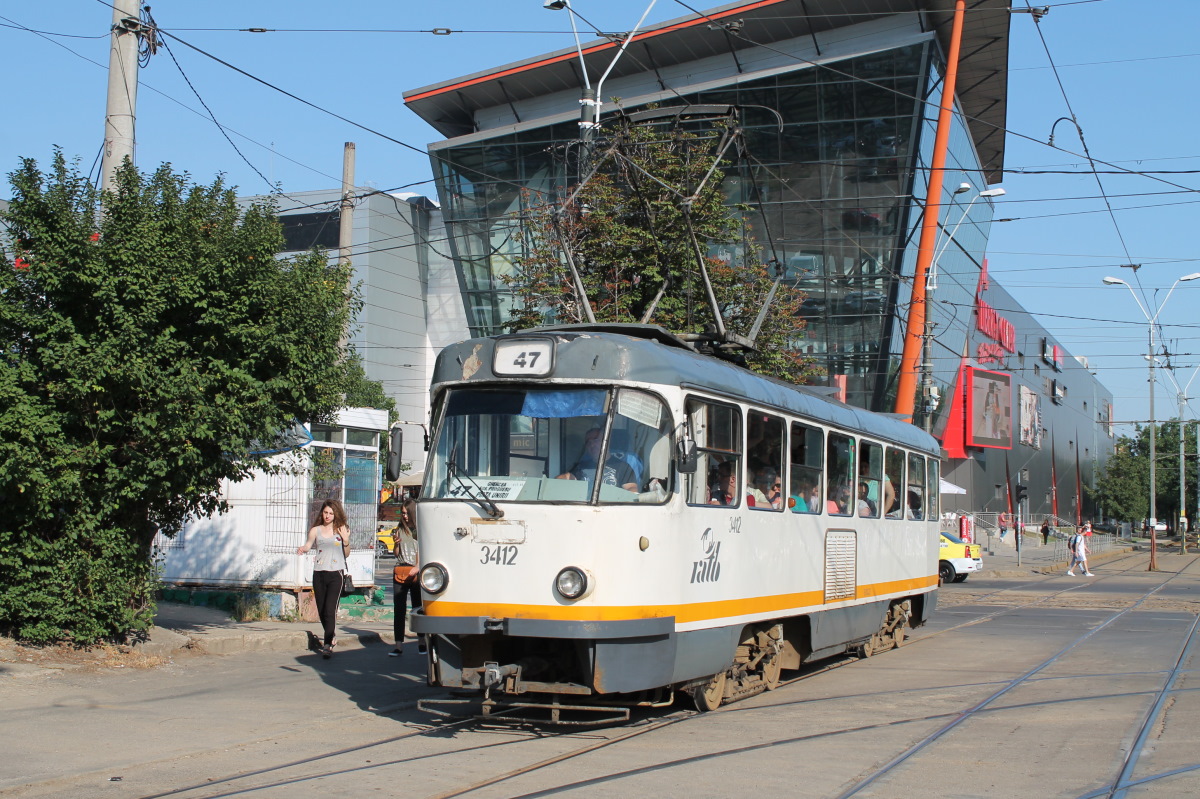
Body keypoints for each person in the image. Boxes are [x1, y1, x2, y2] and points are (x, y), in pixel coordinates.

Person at [297, 499, 351, 658]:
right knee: (321, 610)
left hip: (336, 573)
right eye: (326, 512)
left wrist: (346, 540)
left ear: (336, 515)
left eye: (331, 513)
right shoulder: (316, 530)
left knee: (330, 609)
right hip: (319, 573)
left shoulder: (342, 529)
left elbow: (346, 554)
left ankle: (327, 644)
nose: (327, 516)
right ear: (322, 513)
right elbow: (308, 545)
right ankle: (331, 635)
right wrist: (303, 549)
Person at [389, 498, 425, 657]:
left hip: (416, 572)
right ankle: (398, 645)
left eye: (406, 513)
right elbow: (397, 554)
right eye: (402, 513)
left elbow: (424, 550)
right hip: (401, 569)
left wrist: (417, 567)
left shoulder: (420, 529)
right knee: (399, 609)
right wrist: (396, 544)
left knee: (418, 608)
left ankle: (421, 642)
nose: (404, 516)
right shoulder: (399, 529)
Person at [557, 427, 637, 491]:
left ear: (607, 442)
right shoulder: (581, 467)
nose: (592, 444)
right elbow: (565, 478)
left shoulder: (623, 466)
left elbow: (631, 488)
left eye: (595, 440)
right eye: (588, 442)